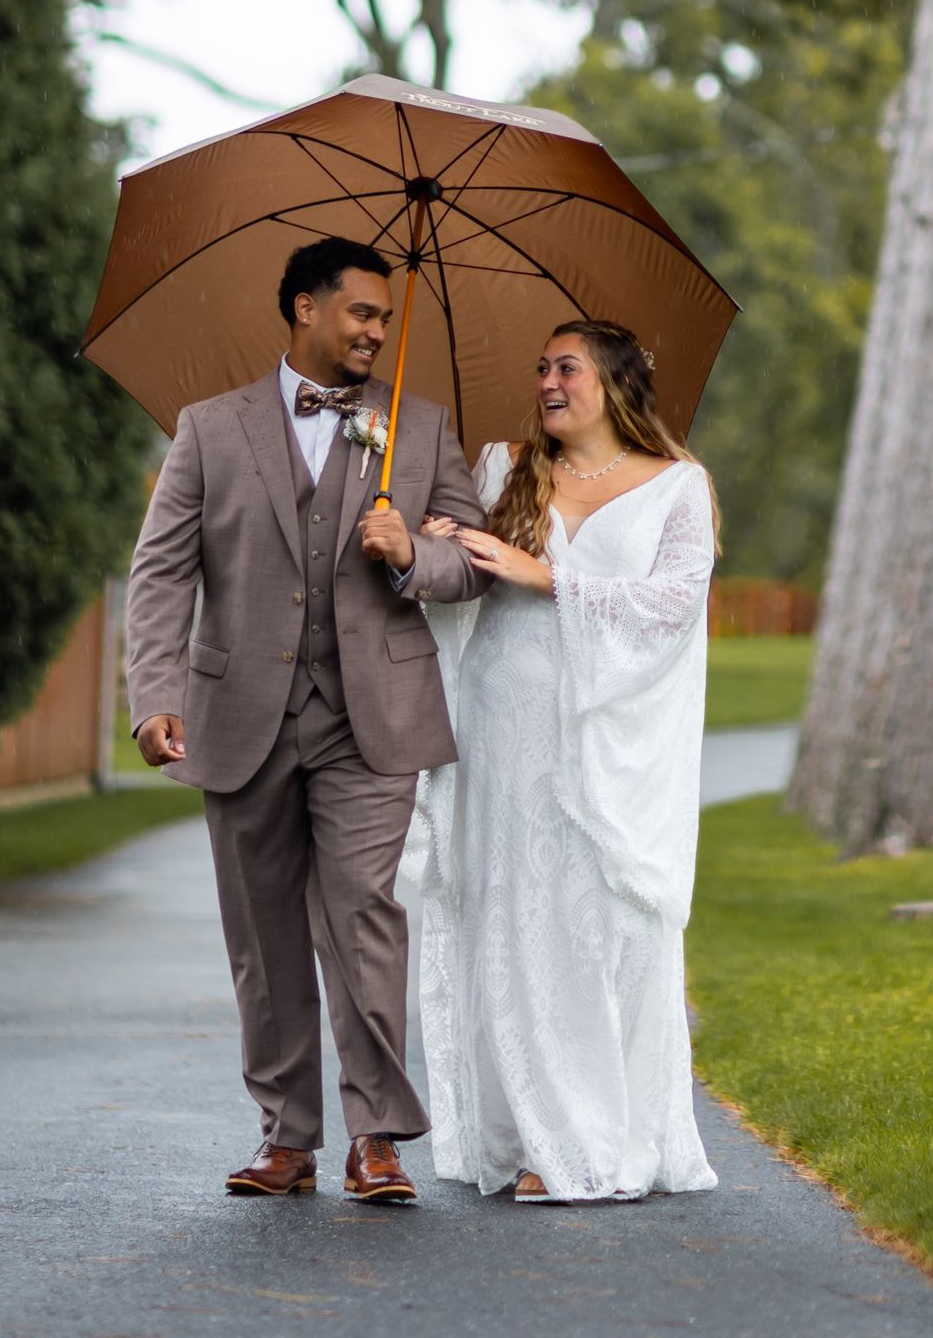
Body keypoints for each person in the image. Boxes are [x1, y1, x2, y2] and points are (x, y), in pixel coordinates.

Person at [124, 235, 489, 1205]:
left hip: (374, 716)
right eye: (362, 312)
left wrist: (412, 550)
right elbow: (161, 572)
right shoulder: (209, 428)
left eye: (384, 316)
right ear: (305, 309)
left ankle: (379, 1136)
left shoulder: (421, 427)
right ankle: (286, 1138)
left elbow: (473, 559)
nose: (378, 330)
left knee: (364, 914)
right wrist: (154, 696)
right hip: (237, 716)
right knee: (263, 935)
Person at [409, 318, 719, 1203]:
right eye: (541, 366)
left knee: (595, 922)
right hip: (503, 720)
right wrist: (437, 545)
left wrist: (546, 575)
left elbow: (673, 604)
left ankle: (592, 1135)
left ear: (615, 383)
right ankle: (523, 1139)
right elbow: (466, 581)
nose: (547, 380)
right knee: (513, 916)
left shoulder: (677, 488)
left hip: (607, 737)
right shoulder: (505, 465)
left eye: (566, 367)